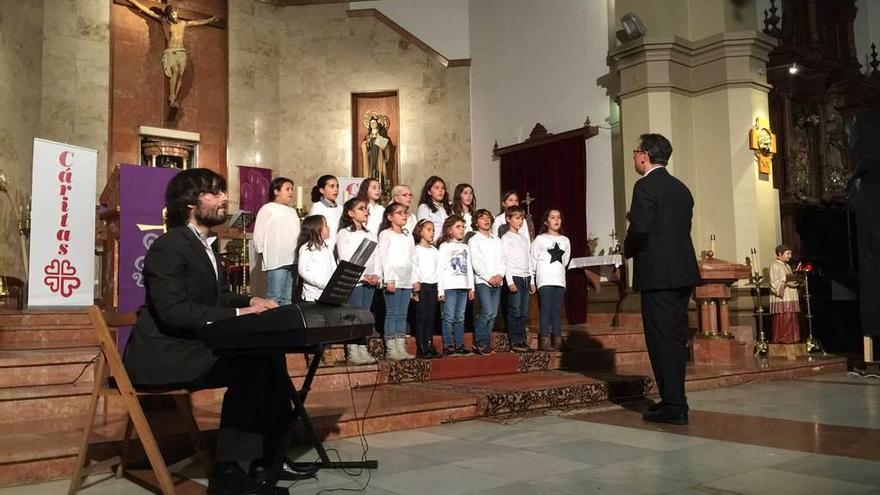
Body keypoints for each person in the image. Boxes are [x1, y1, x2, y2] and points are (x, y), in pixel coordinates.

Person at [122, 169, 301, 494]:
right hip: (165, 354)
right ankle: (228, 475)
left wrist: (252, 299)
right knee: (251, 364)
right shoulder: (168, 246)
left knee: (269, 355)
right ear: (190, 202)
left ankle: (269, 462)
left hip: (190, 346)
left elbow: (217, 297)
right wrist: (237, 312)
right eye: (214, 193)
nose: (224, 199)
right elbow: (173, 311)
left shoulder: (203, 245)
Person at [624, 133, 700, 426]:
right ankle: (674, 400)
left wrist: (627, 249)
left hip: (658, 275)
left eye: (635, 152)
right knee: (675, 339)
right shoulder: (681, 188)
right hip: (682, 273)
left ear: (644, 155)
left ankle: (674, 406)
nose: (634, 157)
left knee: (660, 341)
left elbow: (641, 229)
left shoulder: (645, 186)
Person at [127, 0, 217, 109]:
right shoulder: (164, 22)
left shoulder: (183, 23)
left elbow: (196, 22)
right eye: (172, 14)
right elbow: (148, 12)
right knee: (176, 71)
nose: (174, 16)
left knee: (179, 75)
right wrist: (132, 1)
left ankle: (173, 98)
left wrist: (210, 20)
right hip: (171, 51)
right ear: (168, 15)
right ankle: (172, 96)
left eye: (175, 13)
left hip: (181, 52)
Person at [336, 197, 379, 365]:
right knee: (353, 316)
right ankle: (353, 350)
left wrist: (376, 274)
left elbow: (376, 256)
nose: (366, 211)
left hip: (370, 281)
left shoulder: (370, 233)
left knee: (365, 316)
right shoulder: (344, 233)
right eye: (362, 208)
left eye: (367, 208)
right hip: (354, 281)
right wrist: (361, 276)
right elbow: (344, 259)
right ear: (350, 213)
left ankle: (363, 347)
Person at [375, 203, 417, 361]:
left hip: (406, 279)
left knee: (402, 314)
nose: (404, 215)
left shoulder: (408, 235)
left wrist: (415, 279)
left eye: (405, 212)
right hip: (393, 279)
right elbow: (384, 257)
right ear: (390, 217)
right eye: (400, 213)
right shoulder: (386, 234)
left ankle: (401, 347)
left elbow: (413, 258)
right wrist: (389, 278)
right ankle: (392, 348)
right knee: (392, 313)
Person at [253, 177, 300, 306]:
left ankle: (287, 325)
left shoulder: (292, 211)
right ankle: (273, 325)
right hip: (276, 259)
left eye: (292, 189)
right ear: (276, 191)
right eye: (287, 189)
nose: (291, 192)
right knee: (274, 297)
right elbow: (258, 233)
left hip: (292, 259)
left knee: (288, 298)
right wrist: (262, 252)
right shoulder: (267, 209)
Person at [530, 209, 570, 351]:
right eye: (552, 217)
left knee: (556, 310)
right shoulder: (540, 239)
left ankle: (558, 340)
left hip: (559, 279)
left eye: (558, 217)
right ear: (546, 221)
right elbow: (533, 260)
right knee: (546, 309)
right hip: (545, 279)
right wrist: (532, 280)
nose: (556, 220)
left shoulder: (565, 240)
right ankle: (545, 341)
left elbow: (565, 261)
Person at [468, 209, 505, 355]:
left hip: (497, 280)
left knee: (493, 314)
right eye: (482, 218)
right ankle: (479, 341)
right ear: (476, 222)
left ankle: (485, 343)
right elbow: (476, 262)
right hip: (484, 281)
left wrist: (500, 275)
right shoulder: (474, 240)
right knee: (487, 311)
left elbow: (503, 260)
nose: (486, 220)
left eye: (488, 217)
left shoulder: (496, 240)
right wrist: (489, 277)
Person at [437, 215, 475, 356]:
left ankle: (459, 345)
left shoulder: (465, 247)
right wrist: (440, 290)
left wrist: (471, 287)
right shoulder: (444, 247)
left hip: (463, 286)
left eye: (463, 227)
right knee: (448, 317)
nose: (462, 230)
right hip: (449, 287)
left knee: (460, 317)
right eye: (458, 227)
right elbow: (440, 269)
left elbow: (469, 268)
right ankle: (448, 346)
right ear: (449, 230)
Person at [502, 206, 532, 352]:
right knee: (515, 310)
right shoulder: (506, 238)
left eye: (522, 218)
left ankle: (521, 339)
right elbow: (505, 261)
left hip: (526, 277)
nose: (520, 221)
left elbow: (529, 258)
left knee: (523, 311)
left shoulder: (524, 239)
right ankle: (515, 341)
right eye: (517, 218)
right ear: (508, 219)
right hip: (515, 277)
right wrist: (510, 281)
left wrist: (531, 280)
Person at [411, 219, 441, 358]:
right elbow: (414, 268)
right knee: (421, 316)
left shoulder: (435, 251)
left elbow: (439, 270)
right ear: (420, 231)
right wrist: (414, 287)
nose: (432, 232)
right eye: (428, 229)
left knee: (431, 316)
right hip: (421, 286)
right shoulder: (416, 249)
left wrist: (440, 290)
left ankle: (429, 343)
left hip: (433, 285)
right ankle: (421, 345)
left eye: (433, 230)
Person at [297, 215, 336, 302]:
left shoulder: (327, 248)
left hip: (327, 294)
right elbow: (303, 271)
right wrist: (322, 284)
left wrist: (334, 283)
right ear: (316, 229)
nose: (328, 227)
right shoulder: (306, 248)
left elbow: (333, 267)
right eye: (325, 225)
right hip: (312, 296)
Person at [769, 244, 802, 343]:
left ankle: (792, 339)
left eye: (790, 253)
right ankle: (782, 339)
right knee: (784, 319)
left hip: (791, 296)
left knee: (791, 317)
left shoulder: (787, 266)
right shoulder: (774, 265)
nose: (790, 256)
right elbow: (774, 283)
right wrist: (786, 283)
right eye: (788, 253)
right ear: (780, 253)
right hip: (783, 298)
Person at [308, 175, 342, 250]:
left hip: (339, 246)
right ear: (322, 190)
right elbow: (315, 232)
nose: (336, 190)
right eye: (332, 186)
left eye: (337, 186)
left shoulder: (340, 208)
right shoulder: (317, 207)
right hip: (325, 247)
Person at [417, 176, 452, 243]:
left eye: (443, 188)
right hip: (433, 244)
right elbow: (423, 230)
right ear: (429, 192)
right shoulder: (424, 207)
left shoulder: (449, 206)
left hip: (449, 244)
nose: (440, 190)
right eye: (436, 188)